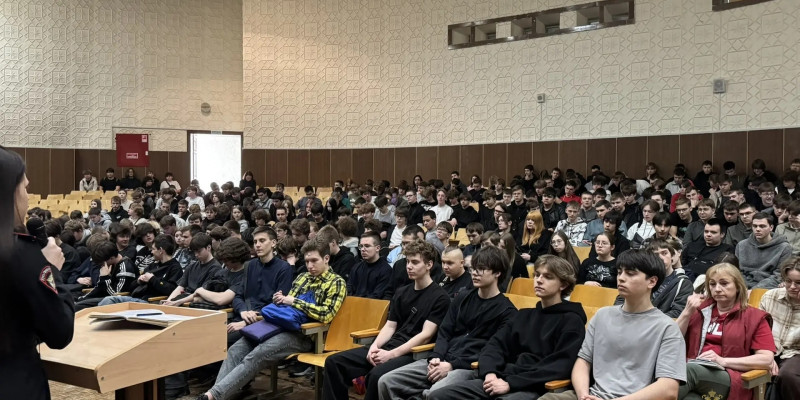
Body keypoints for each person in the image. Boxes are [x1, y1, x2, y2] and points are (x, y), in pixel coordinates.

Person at [198, 238, 347, 400]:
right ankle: (214, 396)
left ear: (326, 258)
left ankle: (213, 395)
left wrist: (294, 301)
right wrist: (280, 300)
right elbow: (288, 309)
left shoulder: (336, 282)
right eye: (306, 261)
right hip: (280, 326)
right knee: (236, 350)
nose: (310, 266)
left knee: (256, 354)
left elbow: (326, 314)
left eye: (314, 261)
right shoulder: (302, 277)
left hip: (306, 334)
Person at [428, 255, 587, 400]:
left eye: (548, 277)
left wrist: (511, 383)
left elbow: (559, 366)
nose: (539, 280)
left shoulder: (572, 321)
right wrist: (490, 373)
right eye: (537, 275)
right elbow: (495, 345)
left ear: (563, 284)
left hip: (533, 386)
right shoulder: (524, 315)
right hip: (501, 378)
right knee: (438, 395)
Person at [539, 249, 687, 400]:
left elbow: (669, 389)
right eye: (619, 272)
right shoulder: (602, 315)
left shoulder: (667, 328)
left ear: (652, 281)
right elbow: (583, 362)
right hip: (592, 395)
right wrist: (583, 395)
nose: (621, 278)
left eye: (630, 273)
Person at [377, 246, 516, 400]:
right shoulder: (462, 297)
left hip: (468, 367)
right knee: (386, 381)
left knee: (435, 394)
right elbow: (444, 332)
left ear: (497, 273)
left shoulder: (507, 311)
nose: (475, 273)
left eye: (481, 269)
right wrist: (437, 356)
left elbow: (492, 350)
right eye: (473, 268)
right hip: (442, 358)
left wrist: (451, 365)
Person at [323, 240, 450, 400]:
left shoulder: (440, 297)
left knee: (376, 375)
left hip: (412, 352)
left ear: (429, 264)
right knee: (334, 362)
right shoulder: (402, 292)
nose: (409, 266)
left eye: (415, 262)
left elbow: (425, 335)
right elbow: (390, 326)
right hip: (389, 345)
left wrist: (390, 355)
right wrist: (374, 347)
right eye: (407, 262)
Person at [0, 147, 75, 400]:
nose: (27, 196)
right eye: (25, 188)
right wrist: (51, 269)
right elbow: (59, 332)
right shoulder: (19, 253)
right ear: (9, 193)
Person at [676, 264, 775, 400]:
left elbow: (766, 359)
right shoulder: (699, 310)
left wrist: (723, 361)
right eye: (712, 284)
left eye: (724, 283)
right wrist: (687, 312)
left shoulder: (755, 317)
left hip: (731, 377)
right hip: (694, 373)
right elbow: (672, 340)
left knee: (688, 372)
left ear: (738, 286)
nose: (717, 289)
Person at [759, 257, 800, 400]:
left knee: (788, 374)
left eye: (798, 283)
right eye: (788, 281)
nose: (792, 287)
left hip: (796, 352)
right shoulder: (770, 297)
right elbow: (758, 331)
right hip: (768, 349)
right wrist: (766, 356)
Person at [735, 212, 792, 288]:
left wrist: (755, 290)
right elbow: (736, 271)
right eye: (755, 226)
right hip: (743, 286)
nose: (757, 229)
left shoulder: (784, 247)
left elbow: (779, 275)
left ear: (771, 227)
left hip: (768, 287)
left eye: (762, 226)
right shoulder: (741, 245)